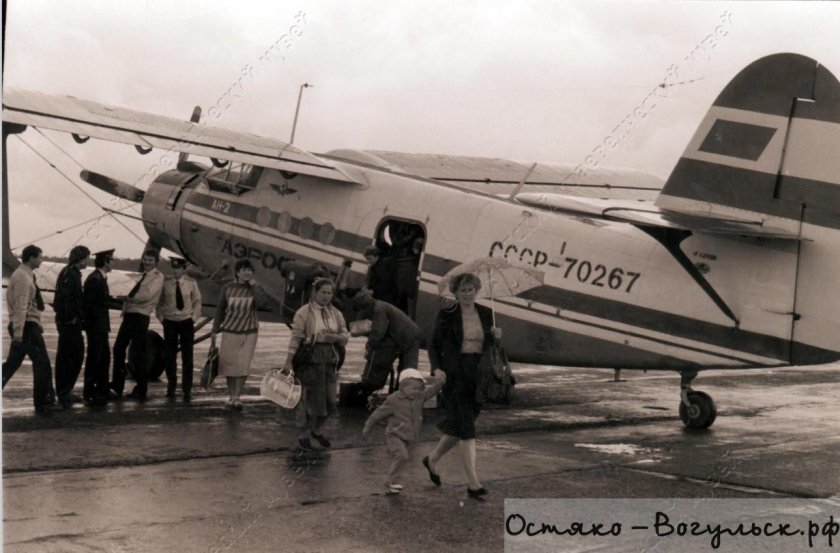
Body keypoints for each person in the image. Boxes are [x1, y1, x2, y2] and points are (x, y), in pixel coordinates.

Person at [422, 272, 502, 500]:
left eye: (471, 289)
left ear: (477, 291)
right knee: (467, 428)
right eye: (463, 290)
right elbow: (433, 345)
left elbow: (491, 348)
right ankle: (473, 483)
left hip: (478, 373)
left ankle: (432, 459)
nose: (467, 294)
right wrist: (436, 369)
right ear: (455, 293)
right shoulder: (447, 314)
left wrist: (496, 337)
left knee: (460, 424)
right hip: (455, 374)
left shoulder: (487, 314)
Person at [283, 278, 349, 451]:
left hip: (331, 360)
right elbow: (295, 337)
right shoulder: (303, 312)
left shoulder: (336, 313)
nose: (327, 296)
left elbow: (345, 335)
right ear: (314, 293)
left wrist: (335, 338)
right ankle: (304, 436)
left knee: (330, 400)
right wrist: (288, 361)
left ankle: (316, 430)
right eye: (323, 292)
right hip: (311, 360)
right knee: (313, 401)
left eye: (330, 293)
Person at [363, 368, 446, 494]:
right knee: (402, 456)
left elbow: (432, 391)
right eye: (414, 388)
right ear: (403, 386)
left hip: (409, 436)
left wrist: (440, 382)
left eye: (420, 388)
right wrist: (368, 426)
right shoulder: (394, 400)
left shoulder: (420, 397)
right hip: (394, 435)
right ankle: (390, 482)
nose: (418, 391)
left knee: (402, 458)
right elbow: (378, 414)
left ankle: (393, 480)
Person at [2, 245, 60, 412]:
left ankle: (45, 400)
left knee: (12, 364)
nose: (41, 260)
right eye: (40, 257)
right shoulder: (23, 278)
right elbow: (21, 306)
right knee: (42, 364)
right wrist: (18, 333)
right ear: (31, 258)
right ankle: (43, 403)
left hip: (26, 326)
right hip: (27, 327)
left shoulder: (25, 275)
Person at [211, 259, 273, 409]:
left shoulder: (255, 288)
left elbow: (261, 304)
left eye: (250, 270)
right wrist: (214, 330)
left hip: (249, 331)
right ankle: (231, 395)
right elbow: (220, 309)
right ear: (237, 272)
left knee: (243, 366)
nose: (247, 272)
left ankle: (237, 396)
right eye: (244, 270)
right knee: (229, 365)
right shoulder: (228, 288)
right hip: (230, 330)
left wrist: (254, 286)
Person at [111, 249, 164, 400]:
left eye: (150, 260)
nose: (147, 263)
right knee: (119, 349)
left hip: (140, 316)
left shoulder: (157, 277)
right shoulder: (144, 276)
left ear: (156, 262)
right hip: (130, 315)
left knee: (137, 353)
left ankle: (141, 389)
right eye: (145, 260)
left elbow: (146, 295)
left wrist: (126, 296)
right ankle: (117, 385)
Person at [352, 288, 424, 395]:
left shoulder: (378, 309)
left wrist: (369, 345)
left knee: (408, 369)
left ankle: (404, 395)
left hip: (410, 337)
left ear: (364, 305)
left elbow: (378, 332)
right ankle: (402, 393)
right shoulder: (381, 306)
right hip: (410, 336)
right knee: (406, 368)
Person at [157, 257, 202, 401]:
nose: (175, 271)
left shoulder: (191, 283)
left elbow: (197, 301)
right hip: (170, 322)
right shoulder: (166, 283)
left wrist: (193, 318)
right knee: (170, 355)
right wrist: (162, 319)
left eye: (178, 268)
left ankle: (187, 389)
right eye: (174, 268)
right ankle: (171, 386)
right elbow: (159, 303)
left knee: (187, 356)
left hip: (186, 322)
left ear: (183, 269)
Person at [53, 245, 90, 408]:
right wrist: (71, 318)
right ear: (80, 258)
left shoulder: (72, 273)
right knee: (72, 356)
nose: (88, 260)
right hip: (69, 324)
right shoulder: (70, 274)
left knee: (70, 356)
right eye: (87, 257)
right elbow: (67, 300)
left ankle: (65, 390)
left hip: (70, 322)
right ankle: (64, 391)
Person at [83, 249, 116, 405]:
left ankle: (102, 389)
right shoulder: (95, 279)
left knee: (104, 357)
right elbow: (90, 305)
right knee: (95, 358)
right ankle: (90, 391)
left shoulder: (100, 278)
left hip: (100, 325)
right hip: (96, 326)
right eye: (111, 260)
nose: (113, 263)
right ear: (105, 262)